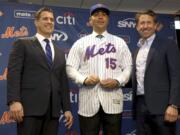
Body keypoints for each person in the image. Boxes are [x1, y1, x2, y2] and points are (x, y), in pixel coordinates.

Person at [66, 3, 132, 135]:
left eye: (104, 15)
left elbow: (128, 68)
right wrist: (83, 79)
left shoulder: (120, 42)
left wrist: (118, 81)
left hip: (112, 99)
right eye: (96, 15)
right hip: (88, 101)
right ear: (90, 21)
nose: (100, 17)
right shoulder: (80, 43)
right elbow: (70, 68)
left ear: (108, 19)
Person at [7, 7, 73, 135]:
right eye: (45, 18)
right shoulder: (22, 43)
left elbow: (63, 83)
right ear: (36, 22)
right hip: (29, 109)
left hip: (53, 112)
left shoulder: (59, 53)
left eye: (52, 19)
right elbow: (13, 74)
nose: (49, 22)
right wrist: (14, 101)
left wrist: (67, 109)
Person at [132, 10, 180, 135]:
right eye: (142, 23)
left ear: (155, 26)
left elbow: (176, 75)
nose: (145, 26)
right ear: (137, 27)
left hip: (163, 108)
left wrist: (174, 105)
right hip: (140, 106)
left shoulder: (168, 44)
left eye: (149, 22)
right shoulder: (137, 50)